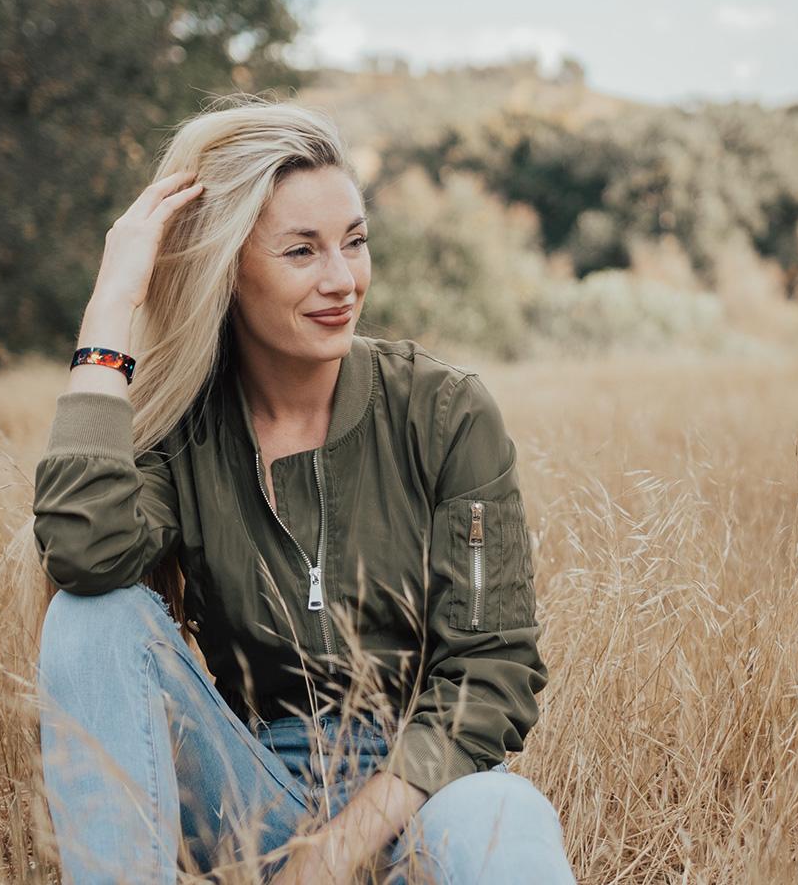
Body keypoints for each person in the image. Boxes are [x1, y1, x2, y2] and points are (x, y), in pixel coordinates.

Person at [31, 94, 576, 884]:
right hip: (248, 804)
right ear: (228, 268)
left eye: (353, 243)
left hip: (419, 800)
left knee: (510, 814)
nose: (342, 280)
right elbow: (85, 553)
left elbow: (492, 672)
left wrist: (335, 854)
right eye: (301, 252)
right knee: (91, 618)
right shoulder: (186, 430)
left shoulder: (446, 410)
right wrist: (112, 302)